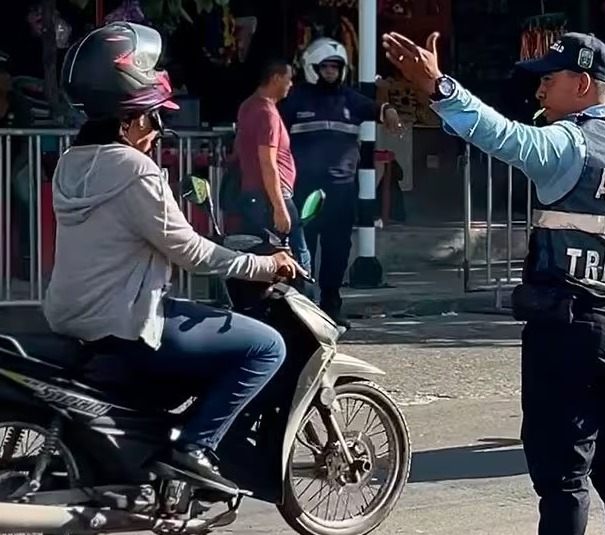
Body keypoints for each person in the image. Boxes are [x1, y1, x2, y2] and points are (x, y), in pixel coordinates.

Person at [382, 31, 605, 535]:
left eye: (549, 80)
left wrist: (440, 87)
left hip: (570, 333)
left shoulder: (569, 142)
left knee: (563, 480)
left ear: (581, 84)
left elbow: (502, 135)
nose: (539, 92)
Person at [43, 21, 298, 496]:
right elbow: (191, 252)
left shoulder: (70, 164)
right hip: (126, 324)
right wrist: (267, 264)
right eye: (153, 118)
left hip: (71, 317)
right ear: (127, 122)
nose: (159, 130)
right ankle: (194, 449)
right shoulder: (137, 170)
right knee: (266, 347)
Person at [280, 37, 403, 328]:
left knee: (337, 252)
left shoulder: (350, 99)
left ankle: (331, 307)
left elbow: (376, 109)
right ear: (312, 68)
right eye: (326, 66)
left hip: (341, 193)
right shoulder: (295, 100)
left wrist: (389, 111)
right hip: (304, 191)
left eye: (336, 66)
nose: (332, 71)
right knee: (302, 250)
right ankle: (301, 308)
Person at [234, 58, 312, 279]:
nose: (291, 85)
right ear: (276, 78)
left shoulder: (248, 106)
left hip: (253, 195)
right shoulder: (267, 113)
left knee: (264, 258)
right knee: (298, 259)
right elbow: (267, 162)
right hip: (271, 197)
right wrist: (280, 207)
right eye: (288, 79)